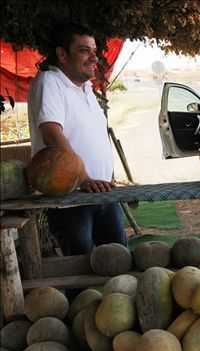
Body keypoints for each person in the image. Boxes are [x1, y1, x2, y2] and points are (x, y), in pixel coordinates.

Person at [28, 22, 127, 256]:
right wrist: (83, 178)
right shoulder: (49, 82)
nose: (94, 57)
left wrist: (98, 178)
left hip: (102, 192)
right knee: (80, 273)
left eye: (94, 50)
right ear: (61, 54)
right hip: (71, 199)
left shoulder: (86, 89)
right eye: (84, 50)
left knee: (119, 264)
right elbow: (51, 132)